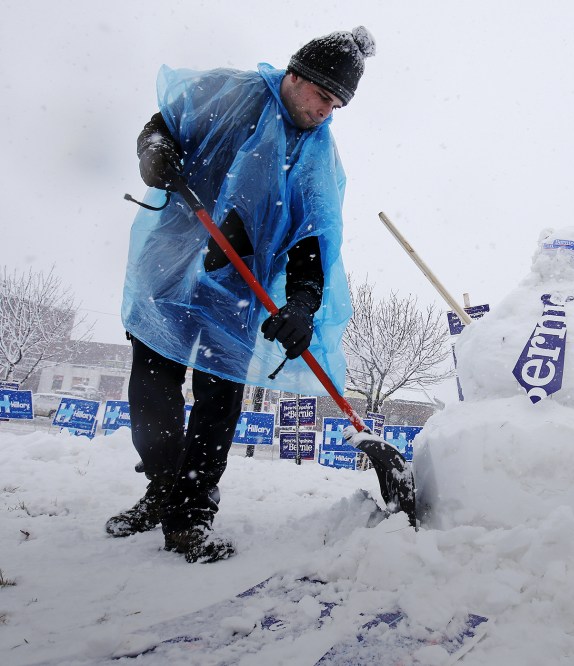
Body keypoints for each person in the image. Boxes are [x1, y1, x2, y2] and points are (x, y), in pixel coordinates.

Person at [107, 27, 377, 563]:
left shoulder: (316, 156)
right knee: (152, 387)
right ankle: (160, 487)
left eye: (338, 104)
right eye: (324, 96)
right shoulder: (230, 93)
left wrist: (302, 304)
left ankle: (189, 517)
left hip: (232, 291)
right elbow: (163, 124)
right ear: (296, 77)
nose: (327, 112)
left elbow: (312, 239)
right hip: (169, 264)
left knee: (219, 399)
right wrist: (155, 150)